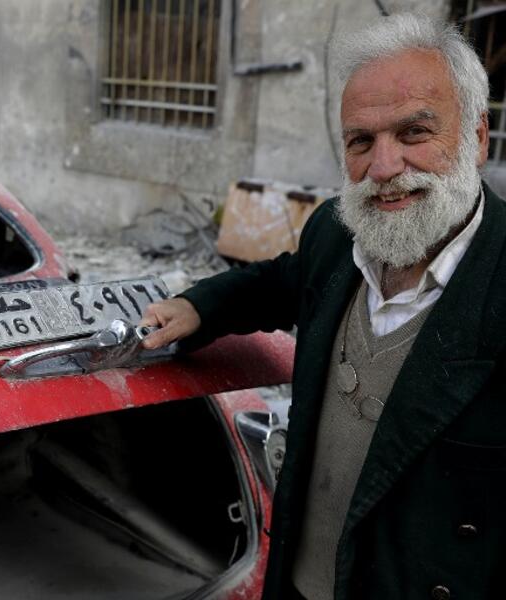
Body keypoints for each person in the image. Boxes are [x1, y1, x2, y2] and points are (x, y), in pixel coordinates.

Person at [140, 12, 506, 600]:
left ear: (477, 139)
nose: (384, 169)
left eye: (414, 133)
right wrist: (199, 306)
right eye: (362, 141)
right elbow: (282, 279)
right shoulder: (335, 237)